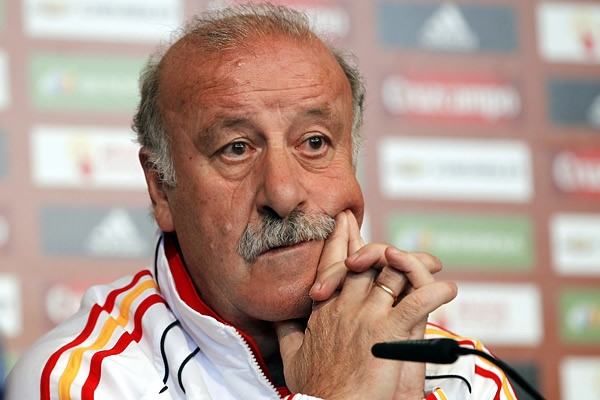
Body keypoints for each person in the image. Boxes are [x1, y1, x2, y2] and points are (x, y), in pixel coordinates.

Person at [7, 3, 518, 399]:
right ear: (161, 188)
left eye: (314, 142)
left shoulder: (462, 375)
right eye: (236, 149)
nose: (284, 193)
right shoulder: (84, 378)